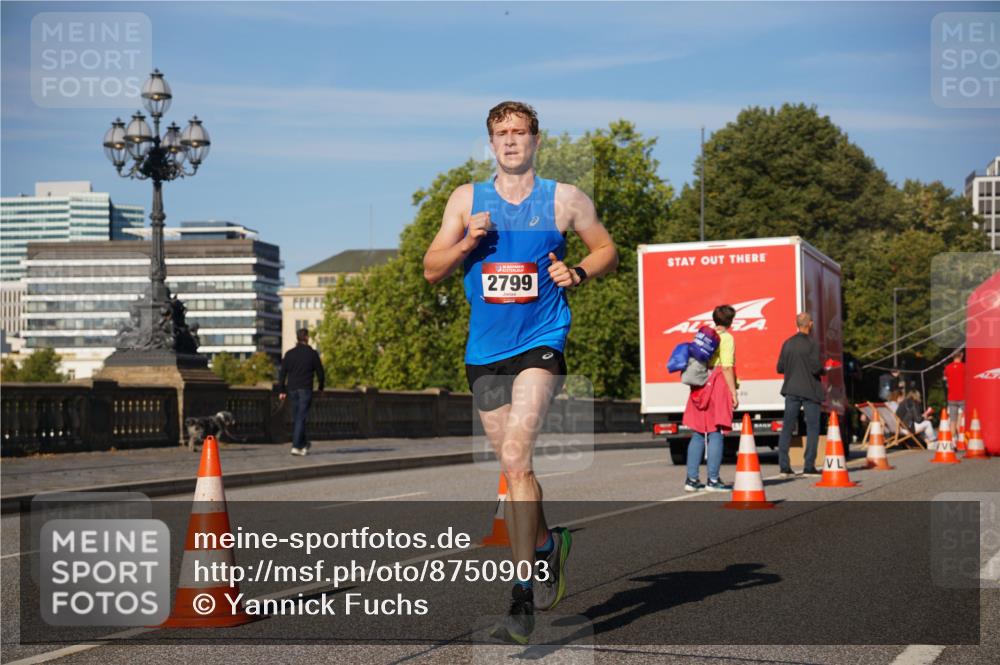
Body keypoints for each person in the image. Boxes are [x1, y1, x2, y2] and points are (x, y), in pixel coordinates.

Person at [422, 101, 617, 644]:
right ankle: (548, 544)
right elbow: (431, 269)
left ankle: (521, 597)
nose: (510, 141)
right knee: (515, 471)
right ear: (490, 144)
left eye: (519, 132)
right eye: (500, 134)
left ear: (535, 139)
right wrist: (467, 242)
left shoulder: (564, 199)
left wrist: (577, 270)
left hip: (541, 339)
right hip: (485, 351)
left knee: (514, 455)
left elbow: (607, 249)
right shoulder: (466, 200)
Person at [682, 304, 738, 492]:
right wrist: (733, 393)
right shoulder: (727, 338)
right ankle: (713, 480)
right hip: (718, 384)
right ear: (730, 321)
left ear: (715, 319)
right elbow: (727, 367)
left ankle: (691, 480)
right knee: (716, 432)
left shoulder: (703, 337)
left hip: (699, 383)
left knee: (698, 433)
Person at [775, 312, 825, 477]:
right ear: (810, 324)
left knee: (787, 427)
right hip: (810, 391)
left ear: (797, 324)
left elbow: (780, 368)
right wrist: (826, 369)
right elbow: (816, 368)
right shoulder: (812, 344)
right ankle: (809, 466)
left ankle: (784, 466)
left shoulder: (787, 343)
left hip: (791, 390)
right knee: (812, 428)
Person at [278, 328, 325, 456]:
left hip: (292, 389)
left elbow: (282, 374)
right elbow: (320, 373)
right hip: (305, 389)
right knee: (301, 417)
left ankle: (303, 444)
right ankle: (296, 446)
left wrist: (281, 390)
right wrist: (320, 388)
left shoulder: (289, 354)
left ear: (297, 338)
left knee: (298, 417)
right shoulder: (312, 354)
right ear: (307, 338)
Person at [943, 350, 965, 440]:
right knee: (962, 418)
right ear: (961, 355)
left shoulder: (947, 368)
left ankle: (953, 440)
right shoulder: (965, 367)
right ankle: (961, 439)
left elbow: (946, 381)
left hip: (951, 397)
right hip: (963, 396)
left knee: (952, 419)